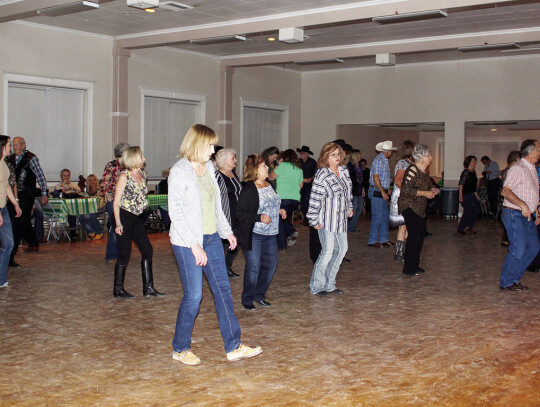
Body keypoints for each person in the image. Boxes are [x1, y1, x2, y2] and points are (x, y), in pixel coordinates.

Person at [169, 124, 262, 365]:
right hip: (187, 242)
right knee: (194, 296)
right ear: (198, 143)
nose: (213, 149)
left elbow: (217, 204)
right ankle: (180, 348)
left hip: (211, 238)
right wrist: (194, 244)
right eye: (210, 145)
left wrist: (227, 231)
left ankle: (233, 346)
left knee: (223, 291)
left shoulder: (210, 168)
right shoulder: (179, 171)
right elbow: (175, 213)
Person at [113, 146, 164, 299]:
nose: (144, 159)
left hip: (136, 217)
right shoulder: (124, 176)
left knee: (147, 249)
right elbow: (116, 202)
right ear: (134, 158)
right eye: (142, 156)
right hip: (124, 216)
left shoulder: (143, 174)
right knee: (125, 253)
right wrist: (118, 224)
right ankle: (118, 289)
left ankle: (148, 288)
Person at [236, 154, 286, 310]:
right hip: (255, 234)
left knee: (271, 265)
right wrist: (259, 217)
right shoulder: (249, 189)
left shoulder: (268, 183)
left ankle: (259, 294)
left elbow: (271, 203)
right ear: (255, 169)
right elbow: (240, 213)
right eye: (264, 166)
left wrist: (279, 210)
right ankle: (248, 298)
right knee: (253, 267)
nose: (267, 168)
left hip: (271, 233)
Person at [307, 142, 353, 296]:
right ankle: (317, 286)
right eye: (333, 155)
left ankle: (330, 284)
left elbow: (348, 192)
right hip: (326, 219)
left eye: (338, 154)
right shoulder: (322, 174)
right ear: (325, 157)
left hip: (341, 220)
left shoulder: (344, 171)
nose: (337, 157)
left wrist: (350, 206)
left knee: (342, 250)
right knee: (327, 251)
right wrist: (313, 220)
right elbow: (315, 198)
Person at [499, 139, 540, 291]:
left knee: (534, 247)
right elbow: (506, 191)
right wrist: (523, 205)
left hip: (528, 215)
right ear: (532, 151)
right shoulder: (519, 168)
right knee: (519, 248)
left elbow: (531, 192)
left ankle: (514, 278)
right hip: (514, 213)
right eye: (539, 150)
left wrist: (536, 209)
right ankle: (507, 281)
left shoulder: (532, 168)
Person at [5, 137, 48, 265]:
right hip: (13, 195)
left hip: (26, 195)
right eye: (13, 145)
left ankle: (11, 254)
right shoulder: (10, 158)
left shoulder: (31, 158)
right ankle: (33, 243)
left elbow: (40, 176)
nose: (15, 147)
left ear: (24, 145)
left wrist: (44, 193)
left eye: (17, 145)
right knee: (23, 221)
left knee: (19, 222)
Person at [398, 144, 439, 276]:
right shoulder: (412, 170)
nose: (431, 158)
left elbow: (424, 187)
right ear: (421, 157)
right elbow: (406, 189)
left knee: (420, 237)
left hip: (420, 208)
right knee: (414, 237)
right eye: (429, 156)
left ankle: (414, 265)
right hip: (409, 206)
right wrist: (424, 193)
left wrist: (432, 190)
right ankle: (409, 268)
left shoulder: (424, 170)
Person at [215, 148, 242, 278]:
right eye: (233, 158)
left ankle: (227, 266)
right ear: (224, 161)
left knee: (238, 243)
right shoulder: (218, 176)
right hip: (226, 216)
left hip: (238, 216)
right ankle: (219, 270)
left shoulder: (234, 174)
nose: (235, 160)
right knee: (225, 245)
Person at [101, 142, 130, 264]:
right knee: (115, 227)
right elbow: (104, 184)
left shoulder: (128, 166)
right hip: (113, 201)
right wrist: (109, 198)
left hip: (126, 202)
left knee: (123, 227)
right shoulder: (111, 166)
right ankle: (111, 255)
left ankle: (121, 253)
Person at [268, 149, 303, 249]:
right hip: (295, 199)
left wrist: (278, 165)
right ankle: (291, 232)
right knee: (283, 218)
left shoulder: (282, 166)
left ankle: (282, 244)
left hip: (282, 197)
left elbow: (271, 177)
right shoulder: (299, 169)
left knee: (279, 220)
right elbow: (301, 185)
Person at [0, 135, 22, 288]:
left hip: (4, 208)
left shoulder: (3, 163)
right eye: (9, 145)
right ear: (2, 147)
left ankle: (1, 279)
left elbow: (7, 186)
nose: (10, 148)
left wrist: (15, 204)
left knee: (9, 244)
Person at [368, 140, 397, 247]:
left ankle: (384, 239)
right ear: (387, 151)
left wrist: (387, 188)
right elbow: (376, 177)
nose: (391, 153)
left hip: (380, 190)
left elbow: (382, 178)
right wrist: (382, 191)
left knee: (384, 216)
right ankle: (373, 240)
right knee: (378, 216)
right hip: (376, 191)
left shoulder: (384, 160)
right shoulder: (380, 161)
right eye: (390, 151)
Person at [389, 140, 414, 261]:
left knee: (407, 225)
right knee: (403, 225)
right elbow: (398, 181)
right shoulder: (403, 163)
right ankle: (399, 253)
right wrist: (408, 192)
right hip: (401, 196)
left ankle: (403, 251)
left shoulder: (409, 163)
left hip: (406, 196)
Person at [500, 151, 521, 247]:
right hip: (510, 201)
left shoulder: (508, 170)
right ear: (517, 160)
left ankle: (506, 240)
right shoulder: (510, 171)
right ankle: (507, 241)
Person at [54, 168, 82, 239]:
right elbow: (58, 195)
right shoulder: (57, 186)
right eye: (64, 175)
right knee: (69, 211)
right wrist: (63, 185)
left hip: (73, 207)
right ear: (61, 176)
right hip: (61, 208)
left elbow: (79, 193)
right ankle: (71, 232)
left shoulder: (74, 185)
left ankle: (73, 233)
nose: (66, 177)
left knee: (71, 211)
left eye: (68, 176)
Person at [457, 156, 481, 235]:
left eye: (475, 161)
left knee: (477, 209)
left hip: (472, 194)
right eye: (473, 161)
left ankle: (469, 227)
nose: (475, 163)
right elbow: (461, 184)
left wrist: (476, 195)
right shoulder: (466, 172)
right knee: (468, 211)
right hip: (465, 195)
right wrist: (460, 196)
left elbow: (474, 186)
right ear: (469, 162)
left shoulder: (473, 172)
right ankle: (461, 229)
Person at [79, 174, 105, 240]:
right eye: (90, 180)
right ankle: (90, 232)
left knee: (89, 215)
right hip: (90, 209)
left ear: (96, 181)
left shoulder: (100, 190)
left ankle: (99, 232)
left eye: (94, 180)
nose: (92, 181)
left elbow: (100, 202)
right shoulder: (87, 192)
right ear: (88, 182)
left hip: (100, 207)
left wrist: (89, 210)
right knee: (80, 216)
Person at [297, 146, 317, 222]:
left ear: (307, 154)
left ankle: (306, 217)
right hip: (299, 183)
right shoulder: (298, 161)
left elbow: (316, 172)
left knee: (307, 200)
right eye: (301, 153)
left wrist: (311, 179)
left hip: (309, 184)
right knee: (300, 200)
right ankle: (301, 214)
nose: (302, 154)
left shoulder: (312, 162)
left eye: (303, 153)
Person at [347, 149, 365, 232]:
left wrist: (363, 189)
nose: (360, 156)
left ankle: (354, 225)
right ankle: (350, 226)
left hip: (359, 188)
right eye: (359, 154)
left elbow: (362, 178)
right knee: (353, 208)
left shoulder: (359, 165)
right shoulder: (350, 165)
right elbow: (350, 178)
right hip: (353, 190)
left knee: (360, 207)